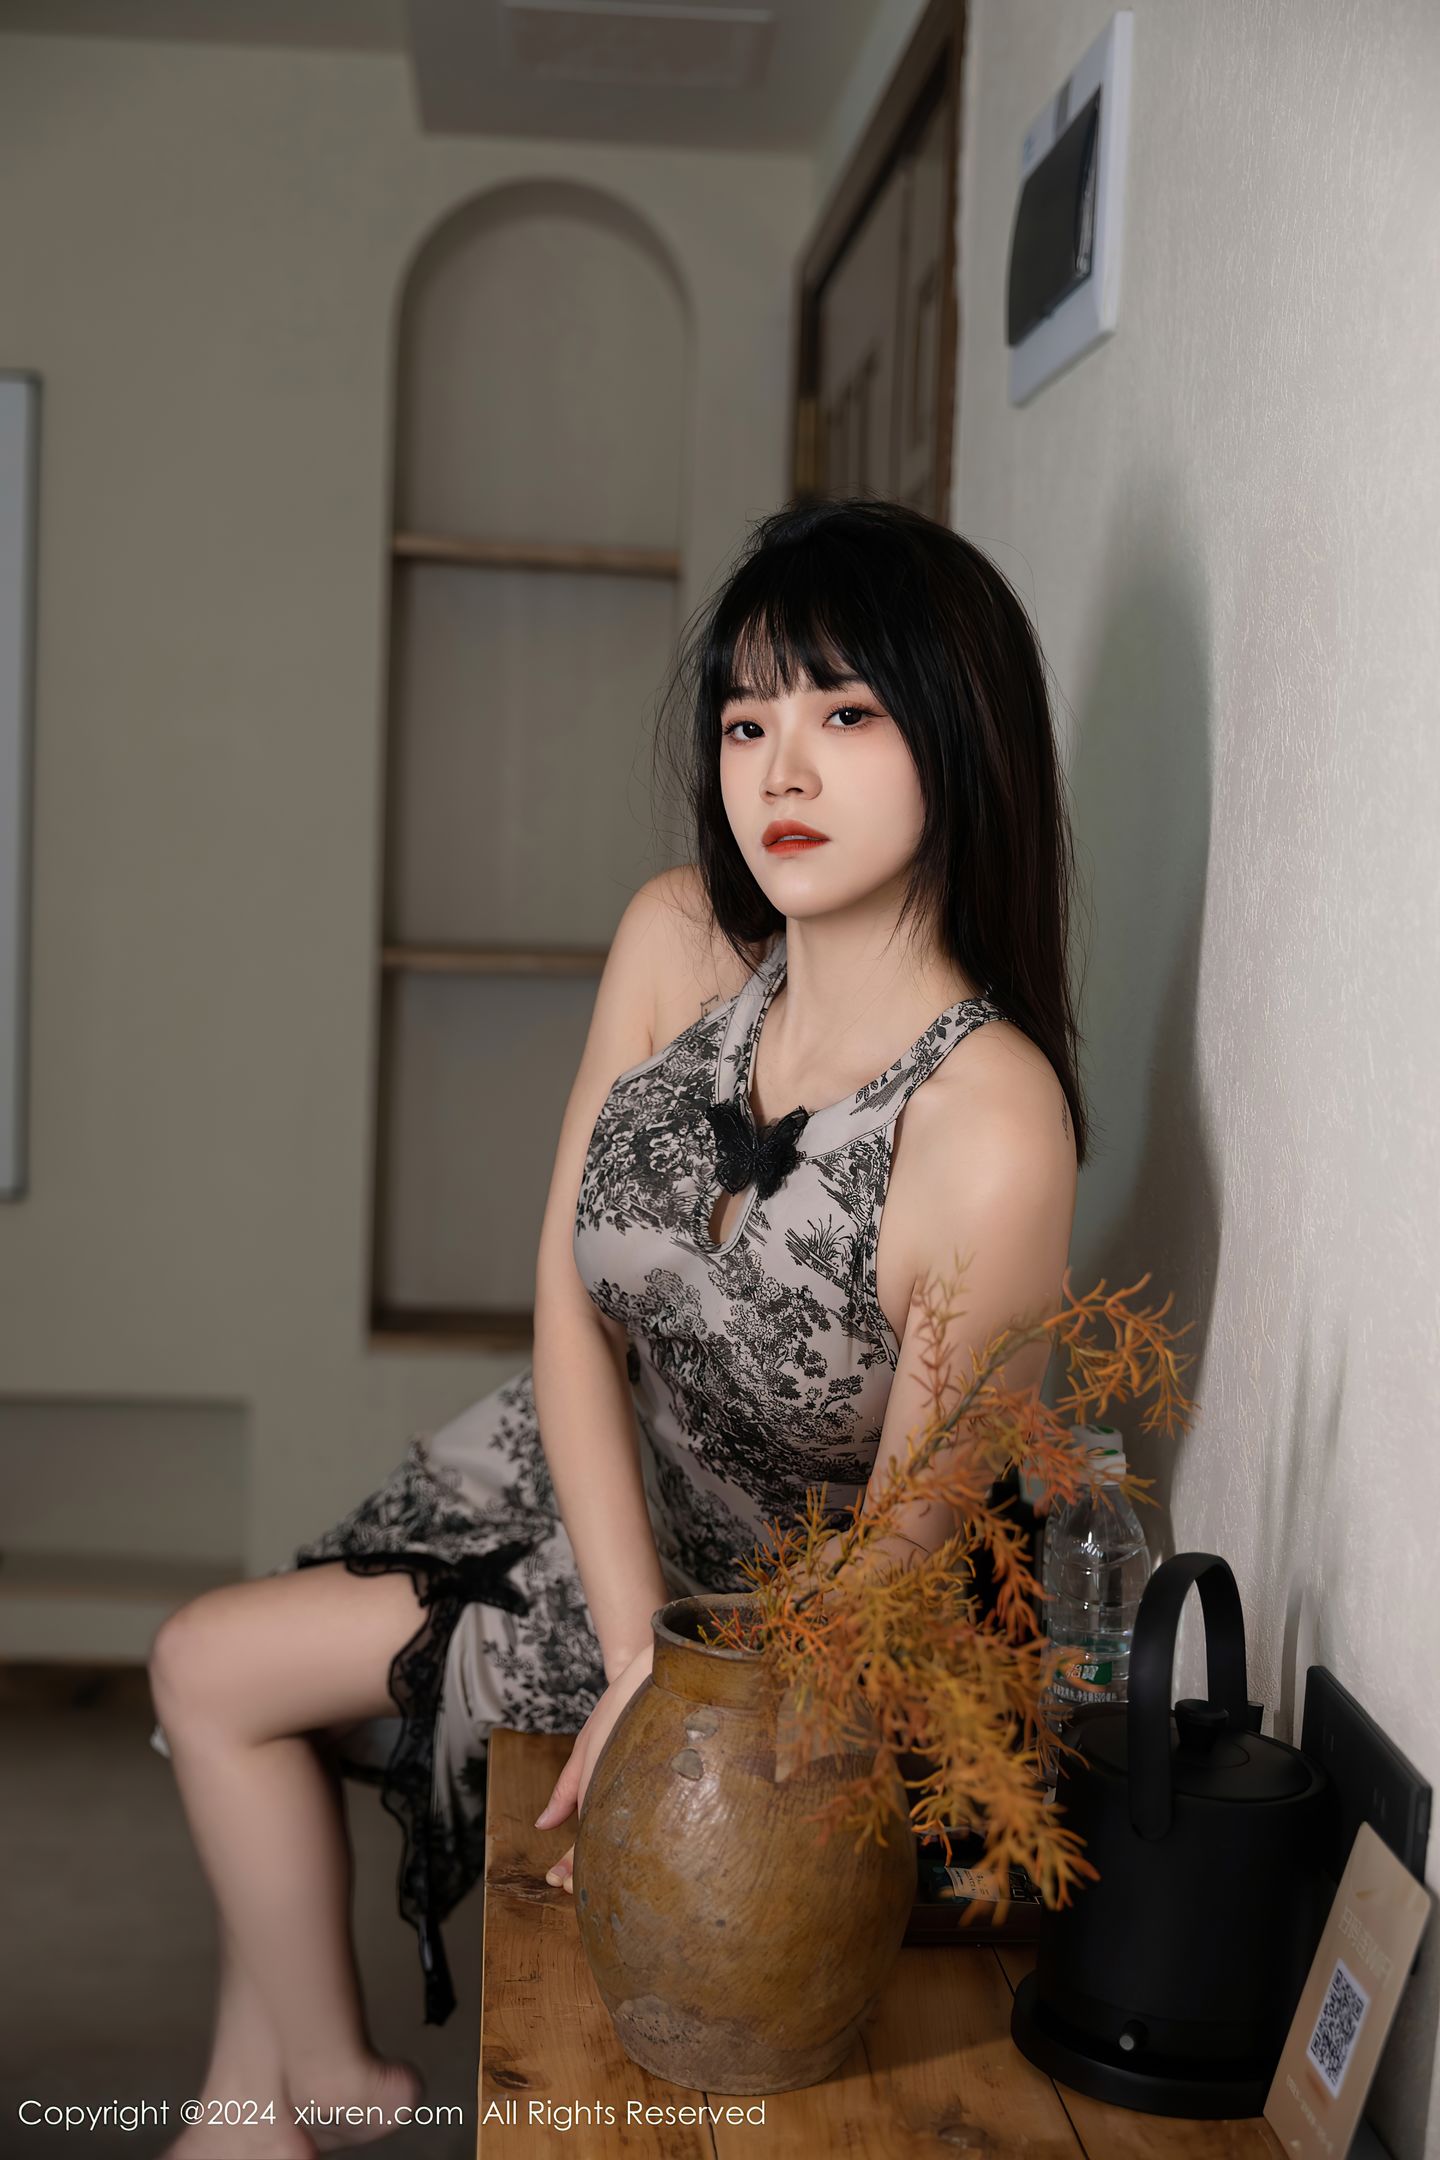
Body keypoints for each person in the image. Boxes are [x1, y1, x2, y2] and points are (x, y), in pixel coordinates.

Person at [146, 496, 1087, 2157]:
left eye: (845, 716)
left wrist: (668, 1675)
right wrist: (627, 1614)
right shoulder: (677, 938)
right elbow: (568, 1301)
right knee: (239, 1677)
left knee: (209, 1670)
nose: (779, 771)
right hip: (576, 1477)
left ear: (960, 735)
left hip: (765, 1631)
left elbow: (899, 1549)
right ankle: (263, 2108)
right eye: (746, 722)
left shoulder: (993, 1121)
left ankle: (283, 2103)